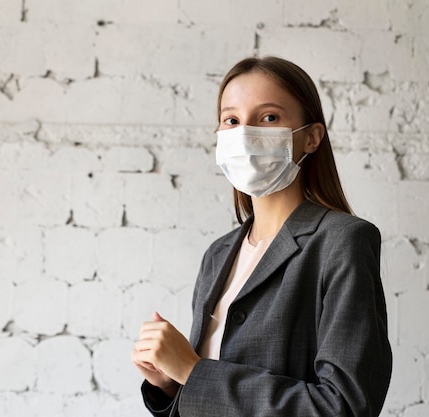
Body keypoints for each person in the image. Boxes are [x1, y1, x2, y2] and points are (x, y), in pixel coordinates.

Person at [131, 56, 392, 417]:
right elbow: (210, 396)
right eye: (231, 120)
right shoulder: (218, 255)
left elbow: (345, 406)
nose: (244, 133)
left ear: (312, 137)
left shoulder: (342, 242)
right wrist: (170, 385)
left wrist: (193, 371)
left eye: (269, 117)